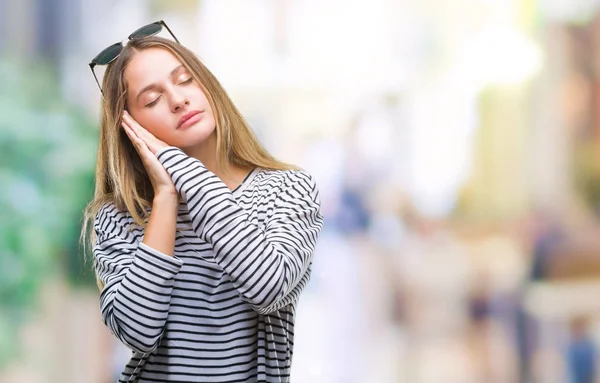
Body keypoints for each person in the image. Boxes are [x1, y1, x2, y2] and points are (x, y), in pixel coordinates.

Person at [81, 20, 324, 382]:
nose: (178, 100)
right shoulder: (120, 217)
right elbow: (138, 332)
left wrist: (180, 172)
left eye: (185, 80)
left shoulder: (287, 189)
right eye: (152, 99)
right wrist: (165, 197)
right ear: (131, 128)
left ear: (207, 84)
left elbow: (267, 286)